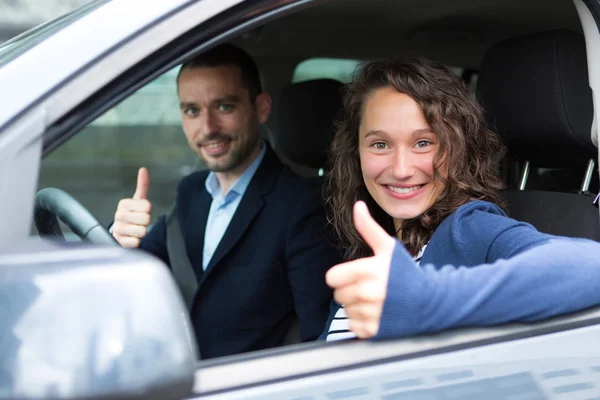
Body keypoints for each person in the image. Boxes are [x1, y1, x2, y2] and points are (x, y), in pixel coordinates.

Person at [321, 57, 600, 341]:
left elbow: (592, 268)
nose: (401, 169)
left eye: (424, 143)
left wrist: (428, 301)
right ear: (356, 153)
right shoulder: (373, 249)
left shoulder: (469, 229)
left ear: (458, 148)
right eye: (380, 144)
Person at [111, 43, 340, 359]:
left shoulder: (303, 208)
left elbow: (320, 340)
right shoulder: (190, 193)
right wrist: (122, 236)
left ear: (260, 109)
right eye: (192, 110)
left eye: (224, 107)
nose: (207, 129)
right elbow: (143, 273)